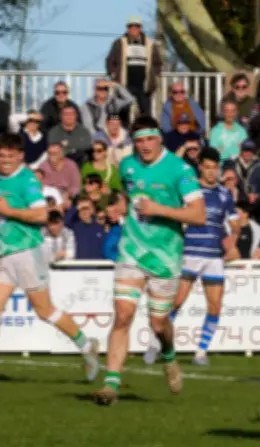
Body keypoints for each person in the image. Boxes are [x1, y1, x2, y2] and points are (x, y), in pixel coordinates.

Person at [0, 134, 100, 388]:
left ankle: (86, 346)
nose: (5, 161)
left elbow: (43, 215)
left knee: (45, 311)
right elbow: (1, 214)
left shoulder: (27, 180)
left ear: (21, 156)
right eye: (1, 156)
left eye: (10, 156)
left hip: (28, 252)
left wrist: (9, 212)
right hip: (4, 253)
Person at [92, 116, 206, 406]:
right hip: (131, 251)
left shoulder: (180, 170)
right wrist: (116, 207)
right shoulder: (127, 165)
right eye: (139, 141)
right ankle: (111, 384)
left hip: (165, 258)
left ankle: (168, 354)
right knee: (123, 315)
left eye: (149, 139)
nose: (144, 146)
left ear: (160, 139)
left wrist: (160, 210)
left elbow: (198, 214)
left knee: (158, 325)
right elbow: (128, 195)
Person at [143, 147, 239, 366]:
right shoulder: (190, 191)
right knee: (176, 302)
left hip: (214, 256)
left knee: (215, 306)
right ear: (200, 168)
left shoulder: (224, 194)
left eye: (215, 168)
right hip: (190, 252)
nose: (212, 172)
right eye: (207, 167)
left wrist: (232, 240)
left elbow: (235, 223)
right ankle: (155, 345)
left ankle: (201, 352)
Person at [106, 16, 162, 117]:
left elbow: (158, 62)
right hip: (124, 84)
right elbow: (110, 60)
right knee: (123, 112)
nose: (133, 28)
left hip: (144, 85)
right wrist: (113, 74)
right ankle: (124, 127)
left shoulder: (150, 43)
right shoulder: (119, 42)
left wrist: (155, 75)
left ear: (140, 28)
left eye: (136, 26)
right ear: (127, 28)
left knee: (145, 113)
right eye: (130, 26)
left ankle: (145, 127)